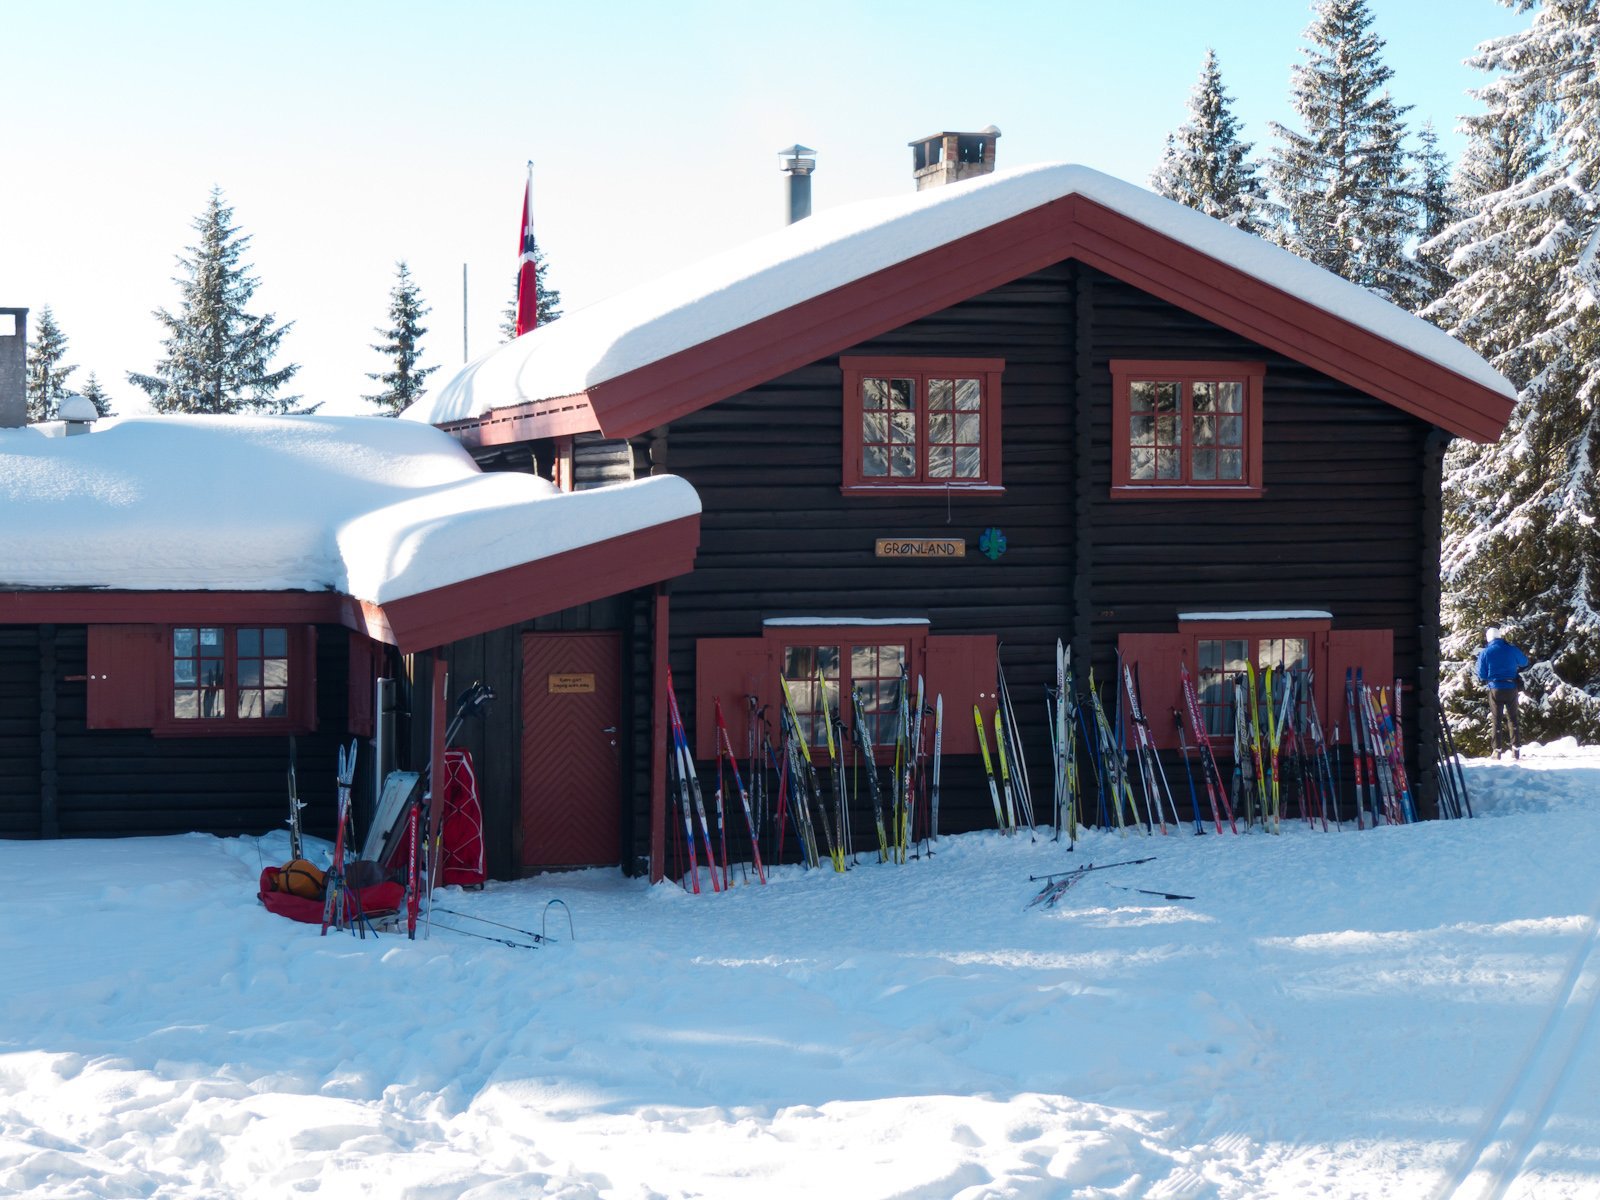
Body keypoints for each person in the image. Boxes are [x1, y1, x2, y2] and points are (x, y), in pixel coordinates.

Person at [1476, 626, 1529, 760]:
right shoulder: (1511, 649)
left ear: (1488, 638)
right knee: (1513, 718)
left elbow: (1481, 674)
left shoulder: (1485, 652)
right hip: (1511, 687)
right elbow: (1524, 662)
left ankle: (1497, 750)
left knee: (1496, 719)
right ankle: (1516, 749)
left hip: (1495, 689)